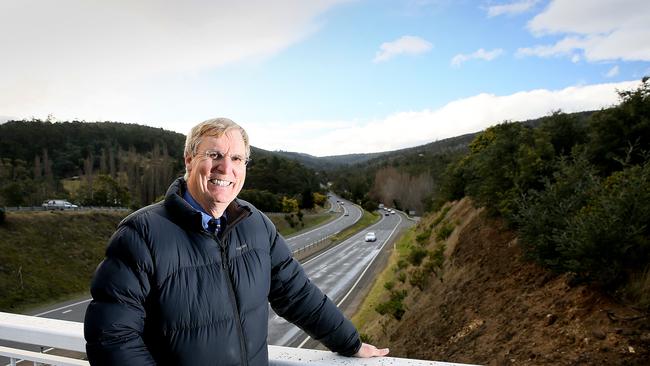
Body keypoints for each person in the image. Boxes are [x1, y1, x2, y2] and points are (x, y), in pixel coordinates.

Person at [84, 118, 389, 365]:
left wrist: (351, 343)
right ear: (189, 160)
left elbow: (298, 296)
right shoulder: (141, 234)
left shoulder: (255, 224)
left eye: (236, 158)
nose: (225, 168)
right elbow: (112, 338)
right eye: (214, 155)